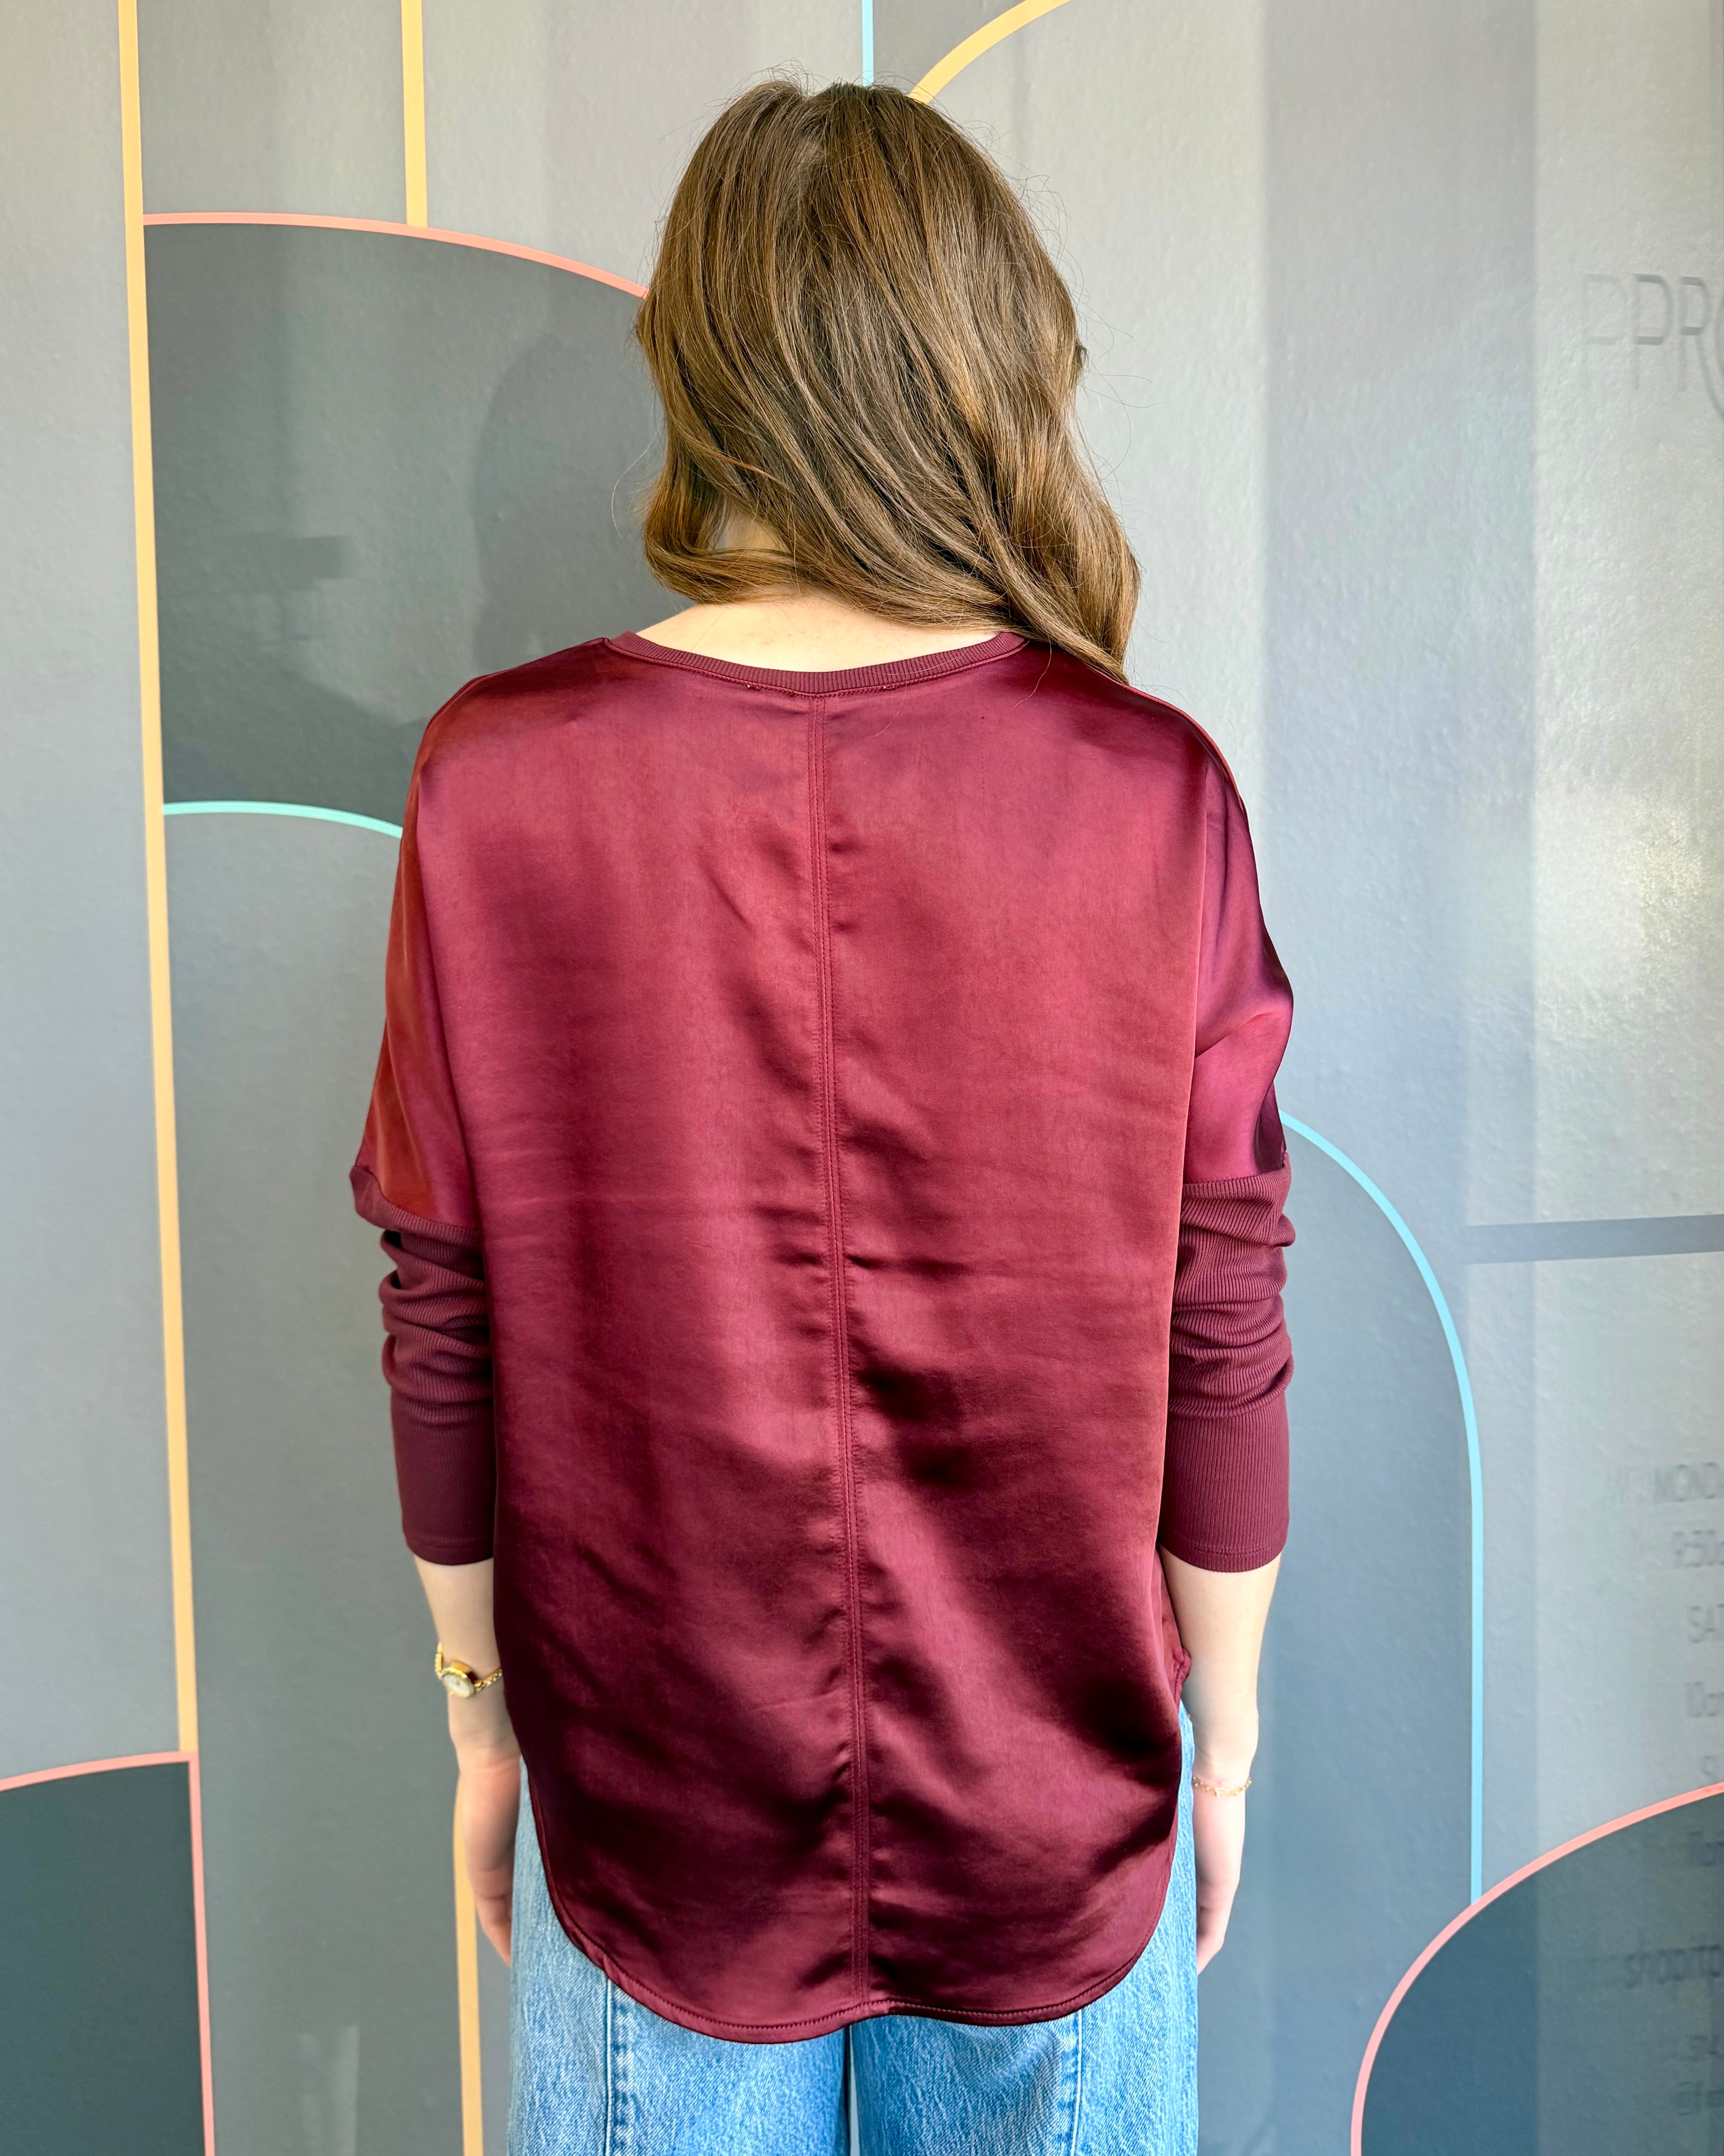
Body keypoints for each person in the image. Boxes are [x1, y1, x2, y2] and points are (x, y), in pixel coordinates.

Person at [351, 77, 1293, 2156]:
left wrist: (480, 1721)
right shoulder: (1150, 794)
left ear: (698, 368)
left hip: (647, 1817)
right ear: (988, 359)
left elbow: (444, 1303)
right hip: (1061, 1817)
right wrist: (1220, 1744)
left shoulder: (495, 781)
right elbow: (1222, 1313)